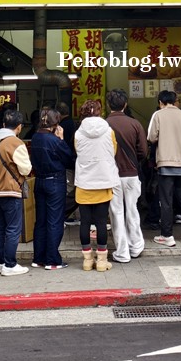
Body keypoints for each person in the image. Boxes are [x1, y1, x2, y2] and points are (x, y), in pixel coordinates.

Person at [74, 99, 120, 272]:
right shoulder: (109, 131)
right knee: (101, 222)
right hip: (103, 181)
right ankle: (101, 261)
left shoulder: (78, 133)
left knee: (85, 222)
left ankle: (87, 260)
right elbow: (114, 150)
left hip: (84, 183)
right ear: (100, 112)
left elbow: (77, 151)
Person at [0, 108, 32, 275]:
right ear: (19, 126)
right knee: (13, 228)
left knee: (0, 227)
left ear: (4, 124)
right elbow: (26, 169)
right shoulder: (16, 143)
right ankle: (10, 265)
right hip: (11, 190)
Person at [29, 108, 75, 270]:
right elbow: (69, 159)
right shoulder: (54, 141)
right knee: (55, 221)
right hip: (55, 182)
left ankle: (39, 258)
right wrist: (61, 139)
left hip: (39, 181)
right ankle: (52, 260)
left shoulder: (35, 137)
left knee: (41, 221)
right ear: (56, 124)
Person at [106, 90, 148, 264]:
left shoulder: (104, 125)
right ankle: (136, 246)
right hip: (131, 174)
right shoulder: (135, 124)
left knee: (116, 213)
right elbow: (143, 151)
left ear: (108, 105)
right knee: (132, 210)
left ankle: (122, 252)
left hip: (112, 175)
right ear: (125, 104)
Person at [147, 90, 181, 248]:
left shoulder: (158, 115)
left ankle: (167, 235)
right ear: (175, 101)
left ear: (160, 102)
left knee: (166, 201)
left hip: (165, 163)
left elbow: (151, 137)